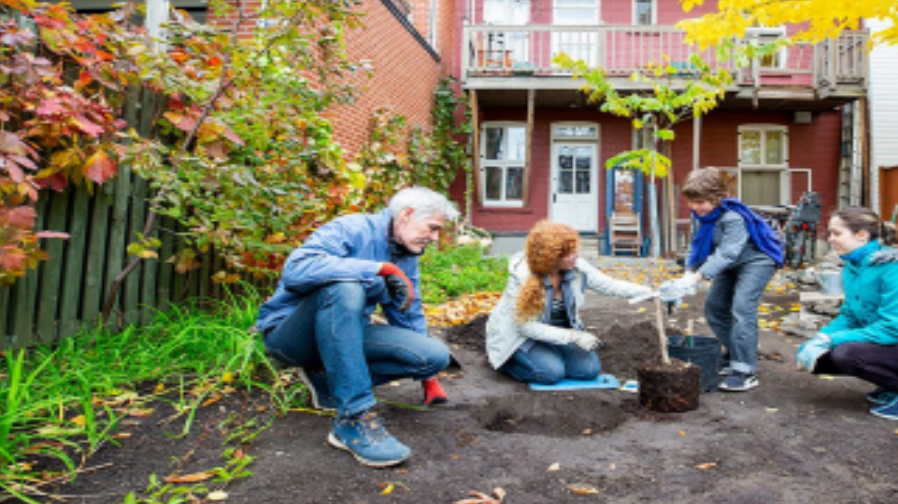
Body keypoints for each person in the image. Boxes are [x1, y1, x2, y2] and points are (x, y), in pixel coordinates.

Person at [256, 187, 458, 467]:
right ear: (407, 215)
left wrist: (429, 378)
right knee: (345, 288)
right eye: (432, 227)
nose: (434, 237)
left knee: (434, 356)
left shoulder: (407, 253)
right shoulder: (352, 228)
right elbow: (296, 270)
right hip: (290, 337)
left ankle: (326, 382)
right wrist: (377, 270)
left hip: (343, 336)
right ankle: (353, 417)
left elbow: (407, 313)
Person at [795, 206, 898, 421]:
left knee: (846, 354)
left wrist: (831, 339)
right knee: (819, 359)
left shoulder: (895, 271)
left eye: (836, 233)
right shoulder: (853, 267)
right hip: (893, 344)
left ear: (861, 235)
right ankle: (892, 386)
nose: (831, 239)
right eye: (830, 233)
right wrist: (819, 340)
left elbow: (894, 328)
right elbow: (850, 315)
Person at [486, 221, 655, 385]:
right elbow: (525, 326)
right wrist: (573, 337)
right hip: (520, 337)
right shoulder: (522, 276)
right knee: (550, 373)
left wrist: (651, 292)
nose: (577, 256)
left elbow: (610, 285)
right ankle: (507, 362)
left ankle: (548, 356)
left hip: (557, 333)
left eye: (575, 250)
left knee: (589, 370)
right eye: (569, 253)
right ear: (551, 257)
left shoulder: (577, 267)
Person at [660, 169, 783, 392]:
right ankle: (737, 351)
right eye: (692, 202)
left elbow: (727, 253)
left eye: (701, 202)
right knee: (714, 308)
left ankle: (745, 371)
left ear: (718, 198)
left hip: (757, 260)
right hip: (730, 264)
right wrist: (688, 273)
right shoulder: (702, 216)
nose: (696, 207)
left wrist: (698, 277)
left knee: (742, 308)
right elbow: (697, 246)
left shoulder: (733, 217)